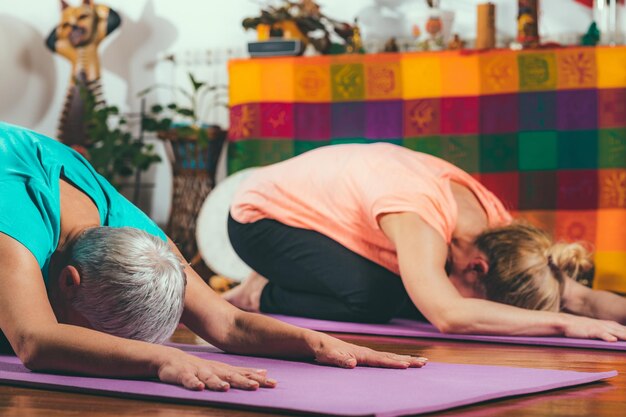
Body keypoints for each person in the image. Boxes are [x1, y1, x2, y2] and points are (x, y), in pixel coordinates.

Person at [0, 122, 427, 392]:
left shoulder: (135, 234)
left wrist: (314, 342)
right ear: (69, 280)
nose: (107, 347)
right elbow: (36, 342)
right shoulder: (15, 225)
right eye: (103, 335)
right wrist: (164, 357)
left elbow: (228, 321)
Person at [225, 142, 626, 342]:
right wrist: (561, 322)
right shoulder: (419, 215)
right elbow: (449, 315)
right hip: (260, 217)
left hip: (329, 215)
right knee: (376, 299)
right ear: (477, 268)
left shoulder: (501, 235)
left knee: (414, 288)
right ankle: (259, 292)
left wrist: (588, 311)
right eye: (481, 295)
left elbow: (583, 298)